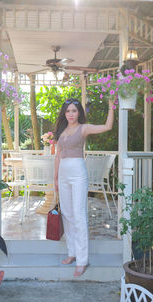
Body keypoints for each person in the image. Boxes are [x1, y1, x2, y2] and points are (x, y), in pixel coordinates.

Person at [54, 98, 114, 277]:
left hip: (78, 172)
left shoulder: (83, 128)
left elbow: (107, 127)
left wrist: (111, 107)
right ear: (64, 114)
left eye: (74, 111)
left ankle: (82, 260)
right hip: (63, 173)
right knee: (67, 213)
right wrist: (55, 178)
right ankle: (72, 253)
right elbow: (58, 156)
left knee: (79, 215)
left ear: (79, 112)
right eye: (68, 111)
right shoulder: (62, 130)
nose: (71, 114)